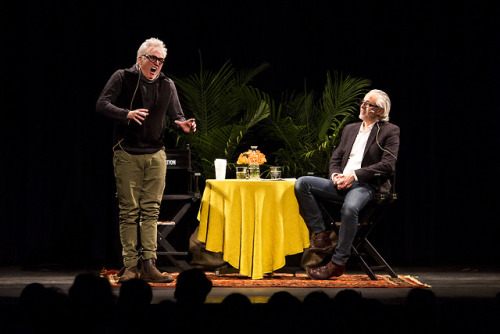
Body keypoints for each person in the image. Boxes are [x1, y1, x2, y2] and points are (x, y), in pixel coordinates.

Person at [96, 37, 196, 283]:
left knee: (151, 211)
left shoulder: (167, 84)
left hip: (155, 155)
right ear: (140, 58)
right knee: (129, 211)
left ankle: (150, 265)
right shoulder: (123, 77)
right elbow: (102, 104)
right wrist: (126, 114)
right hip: (127, 153)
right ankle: (130, 267)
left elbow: (177, 115)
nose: (157, 64)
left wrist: (184, 125)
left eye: (161, 60)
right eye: (153, 58)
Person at [294, 89, 399, 279]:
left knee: (350, 209)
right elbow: (336, 158)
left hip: (366, 186)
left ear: (380, 111)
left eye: (369, 104)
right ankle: (321, 234)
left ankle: (338, 262)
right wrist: (335, 175)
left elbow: (388, 165)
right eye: (363, 102)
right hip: (341, 183)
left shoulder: (389, 131)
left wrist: (355, 175)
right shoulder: (350, 129)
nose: (363, 106)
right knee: (303, 183)